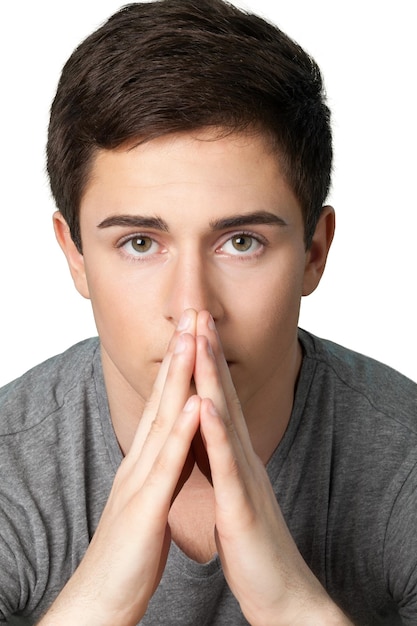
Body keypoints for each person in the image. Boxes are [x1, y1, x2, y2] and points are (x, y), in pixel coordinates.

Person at [0, 0, 416, 624]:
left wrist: (288, 602)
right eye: (139, 243)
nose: (192, 307)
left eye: (241, 242)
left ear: (314, 252)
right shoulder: (11, 467)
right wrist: (99, 600)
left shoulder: (404, 462)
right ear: (76, 256)